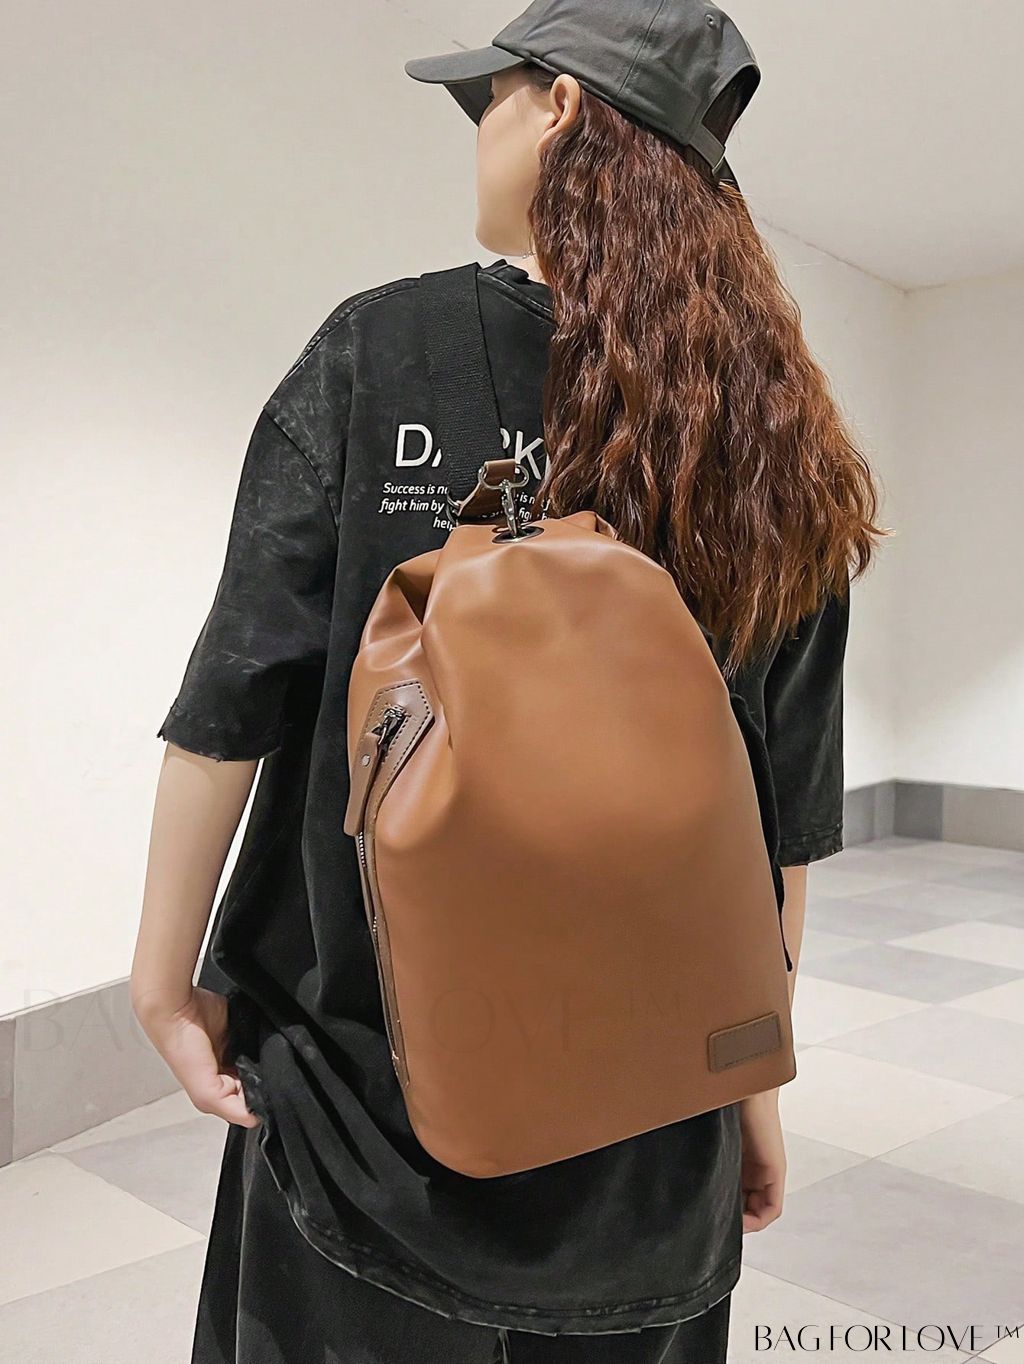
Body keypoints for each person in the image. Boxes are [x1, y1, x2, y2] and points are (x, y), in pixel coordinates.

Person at [131, 2, 887, 1360]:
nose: (478, 129)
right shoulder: (778, 430)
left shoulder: (376, 353)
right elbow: (775, 817)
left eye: (491, 96)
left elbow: (236, 694)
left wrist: (159, 977)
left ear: (561, 107)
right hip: (653, 1138)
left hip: (364, 1112)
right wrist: (751, 1085)